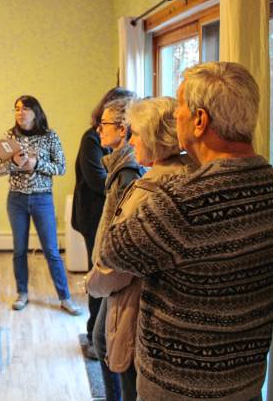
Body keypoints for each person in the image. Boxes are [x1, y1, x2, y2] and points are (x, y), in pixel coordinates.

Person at [101, 62, 273, 400]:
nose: (176, 119)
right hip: (245, 378)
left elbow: (113, 250)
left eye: (180, 109)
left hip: (179, 385)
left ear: (201, 120)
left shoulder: (182, 201)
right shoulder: (272, 182)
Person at [87, 96, 195, 401]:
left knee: (119, 360)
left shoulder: (143, 187)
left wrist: (93, 282)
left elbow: (117, 258)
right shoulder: (191, 175)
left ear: (152, 137)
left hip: (135, 296)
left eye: (133, 133)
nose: (130, 139)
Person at [0, 95, 82, 315]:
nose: (20, 112)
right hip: (16, 199)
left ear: (36, 112)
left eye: (25, 109)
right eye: (16, 109)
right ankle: (22, 293)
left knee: (51, 250)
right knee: (19, 250)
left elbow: (61, 168)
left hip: (42, 198)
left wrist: (37, 163)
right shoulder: (9, 136)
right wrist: (14, 163)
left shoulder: (50, 136)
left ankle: (65, 298)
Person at [84, 96, 142, 401]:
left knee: (107, 343)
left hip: (118, 276)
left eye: (104, 124)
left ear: (122, 129)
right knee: (104, 340)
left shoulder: (127, 173)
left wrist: (101, 275)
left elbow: (122, 235)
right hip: (113, 273)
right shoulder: (119, 167)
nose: (98, 129)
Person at [72, 87, 135, 350]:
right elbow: (95, 178)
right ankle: (94, 335)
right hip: (91, 214)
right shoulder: (92, 139)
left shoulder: (128, 170)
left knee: (101, 280)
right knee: (97, 278)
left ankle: (99, 338)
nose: (100, 128)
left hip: (104, 223)